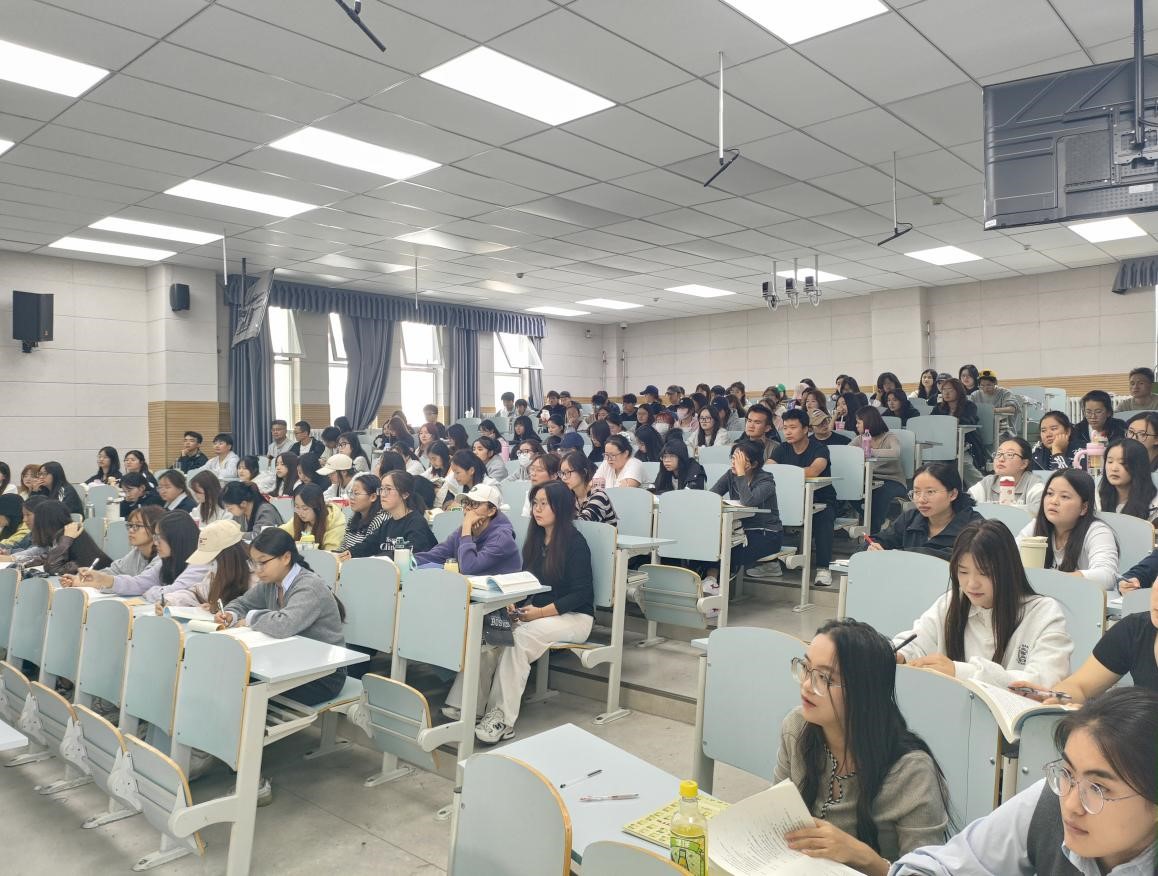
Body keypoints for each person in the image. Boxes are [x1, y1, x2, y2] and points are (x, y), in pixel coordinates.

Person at [890, 687, 1158, 876]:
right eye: (1067, 772)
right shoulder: (1050, 799)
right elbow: (943, 866)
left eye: (1098, 788)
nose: (1070, 805)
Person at [776, 619, 950, 872]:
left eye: (824, 678)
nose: (806, 685)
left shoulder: (912, 772)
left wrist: (864, 858)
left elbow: (925, 872)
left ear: (863, 691)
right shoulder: (797, 727)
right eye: (805, 667)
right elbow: (776, 819)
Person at [472, 481, 595, 744]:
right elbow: (527, 581)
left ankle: (502, 719)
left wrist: (539, 613)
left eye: (544, 504)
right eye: (535, 503)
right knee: (492, 631)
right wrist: (513, 602)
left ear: (560, 507)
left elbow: (581, 594)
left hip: (575, 617)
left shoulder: (575, 543)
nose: (537, 509)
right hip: (542, 613)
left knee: (518, 638)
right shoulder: (536, 539)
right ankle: (469, 705)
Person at [893, 520, 1072, 687]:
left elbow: (1043, 682)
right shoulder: (952, 603)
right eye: (963, 572)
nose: (971, 584)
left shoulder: (1042, 613)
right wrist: (900, 654)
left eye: (984, 573)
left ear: (1008, 570)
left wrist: (960, 672)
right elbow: (917, 641)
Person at [216, 527, 349, 717]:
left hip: (324, 674)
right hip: (290, 663)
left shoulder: (309, 586)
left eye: (263, 562)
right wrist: (230, 614)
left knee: (246, 689)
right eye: (253, 562)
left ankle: (248, 732)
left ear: (286, 558)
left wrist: (250, 618)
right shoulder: (271, 583)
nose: (257, 569)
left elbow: (284, 625)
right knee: (233, 678)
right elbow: (242, 603)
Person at [703, 441, 783, 596]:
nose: (734, 463)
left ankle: (714, 584)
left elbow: (748, 501)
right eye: (733, 458)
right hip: (739, 532)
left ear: (754, 464)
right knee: (710, 543)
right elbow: (711, 496)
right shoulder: (730, 475)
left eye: (740, 460)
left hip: (766, 534)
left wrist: (740, 474)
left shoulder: (766, 481)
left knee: (727, 550)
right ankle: (710, 581)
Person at [1017, 469, 1118, 591]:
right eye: (1050, 493)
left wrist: (1054, 580)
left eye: (1064, 496)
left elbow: (1107, 576)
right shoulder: (1036, 526)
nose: (1053, 501)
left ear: (1084, 507)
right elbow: (1009, 557)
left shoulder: (1097, 531)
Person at [772, 409, 837, 587]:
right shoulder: (781, 449)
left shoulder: (820, 449)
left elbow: (813, 471)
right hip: (791, 500)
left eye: (793, 427)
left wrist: (784, 473)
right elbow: (769, 470)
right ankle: (770, 563)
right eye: (785, 428)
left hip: (821, 499)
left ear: (806, 429)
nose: (788, 432)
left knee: (824, 517)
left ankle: (823, 568)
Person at [868, 463, 983, 561]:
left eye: (930, 492)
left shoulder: (974, 525)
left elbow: (959, 557)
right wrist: (872, 547)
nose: (921, 500)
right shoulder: (910, 518)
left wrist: (897, 554)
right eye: (917, 492)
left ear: (953, 494)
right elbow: (880, 539)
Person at [79, 510, 202, 602]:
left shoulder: (199, 564)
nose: (155, 543)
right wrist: (101, 578)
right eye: (155, 537)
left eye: (159, 537)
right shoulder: (165, 561)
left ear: (176, 539)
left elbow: (171, 593)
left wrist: (151, 590)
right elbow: (139, 583)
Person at [415, 483, 520, 574]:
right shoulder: (464, 530)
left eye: (475, 504)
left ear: (491, 511)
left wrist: (466, 527)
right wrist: (410, 561)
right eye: (466, 503)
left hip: (502, 591)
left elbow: (468, 568)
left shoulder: (501, 537)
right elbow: (437, 555)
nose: (468, 508)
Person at [341, 469, 436, 560]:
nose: (382, 494)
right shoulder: (387, 524)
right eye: (382, 489)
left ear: (405, 494)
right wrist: (348, 553)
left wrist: (375, 559)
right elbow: (367, 546)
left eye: (388, 489)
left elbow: (409, 554)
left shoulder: (416, 523)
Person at [64, 505, 164, 585]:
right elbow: (115, 570)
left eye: (137, 526)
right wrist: (85, 577)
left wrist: (100, 580)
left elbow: (140, 584)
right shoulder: (137, 552)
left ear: (155, 529)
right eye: (130, 525)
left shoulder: (161, 557)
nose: (131, 530)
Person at [164, 519, 252, 610]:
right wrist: (169, 601)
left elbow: (251, 608)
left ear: (228, 556)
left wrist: (223, 609)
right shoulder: (216, 574)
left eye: (212, 559)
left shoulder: (255, 576)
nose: (210, 564)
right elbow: (197, 593)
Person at [2, 500, 109, 572]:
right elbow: (46, 556)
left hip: (97, 580)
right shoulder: (59, 535)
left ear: (46, 521)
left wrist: (66, 540)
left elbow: (52, 567)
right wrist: (23, 564)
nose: (25, 520)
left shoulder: (67, 535)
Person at [850, 407, 910, 533]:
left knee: (880, 493)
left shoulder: (889, 437)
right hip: (870, 479)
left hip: (893, 481)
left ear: (868, 422)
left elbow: (896, 452)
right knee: (851, 490)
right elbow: (848, 451)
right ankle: (878, 522)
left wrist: (870, 452)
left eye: (858, 422)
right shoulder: (860, 438)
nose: (856, 425)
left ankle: (874, 532)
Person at [968, 437, 1044, 516]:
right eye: (998, 454)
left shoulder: (1034, 484)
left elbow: (1040, 512)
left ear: (1024, 464)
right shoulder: (988, 483)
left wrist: (1003, 509)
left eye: (1009, 455)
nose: (1001, 459)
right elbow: (965, 506)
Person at [932, 379, 984, 485]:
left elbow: (970, 421)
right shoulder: (938, 407)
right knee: (931, 466)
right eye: (944, 390)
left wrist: (954, 421)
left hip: (965, 446)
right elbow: (932, 422)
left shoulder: (969, 406)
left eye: (950, 389)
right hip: (942, 447)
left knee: (964, 463)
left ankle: (984, 487)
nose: (946, 393)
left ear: (958, 391)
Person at [1097, 438, 1158, 522]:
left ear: (1138, 467)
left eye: (1122, 463)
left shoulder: (1154, 506)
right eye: (1110, 461)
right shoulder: (1096, 498)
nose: (1114, 468)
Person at [280, 483, 346, 551]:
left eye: (305, 509)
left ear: (317, 507)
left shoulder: (334, 521)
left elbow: (331, 552)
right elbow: (280, 533)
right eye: (297, 507)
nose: (300, 512)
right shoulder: (299, 518)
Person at [334, 474, 387, 556]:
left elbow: (368, 551)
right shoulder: (354, 518)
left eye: (356, 493)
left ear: (373, 497)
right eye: (350, 493)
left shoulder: (380, 519)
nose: (351, 497)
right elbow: (343, 547)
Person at [559, 451, 617, 524]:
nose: (563, 478)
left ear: (583, 472)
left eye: (568, 472)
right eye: (562, 473)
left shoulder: (599, 495)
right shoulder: (570, 496)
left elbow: (583, 524)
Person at [970, 369, 1023, 439]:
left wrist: (993, 410)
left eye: (989, 385)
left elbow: (1012, 409)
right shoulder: (975, 395)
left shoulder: (1005, 393)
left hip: (1003, 431)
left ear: (995, 383)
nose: (985, 388)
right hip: (982, 430)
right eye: (982, 385)